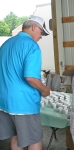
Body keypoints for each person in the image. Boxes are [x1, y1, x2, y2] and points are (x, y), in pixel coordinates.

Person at [0, 16, 51, 150]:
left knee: (16, 137)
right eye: (42, 32)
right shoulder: (32, 46)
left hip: (4, 102)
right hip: (24, 103)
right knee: (35, 139)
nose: (41, 36)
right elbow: (30, 78)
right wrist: (45, 90)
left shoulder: (6, 44)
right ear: (34, 27)